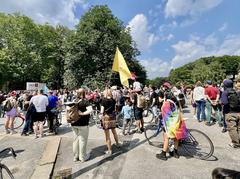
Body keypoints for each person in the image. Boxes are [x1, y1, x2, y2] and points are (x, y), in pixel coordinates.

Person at [156, 92, 180, 161]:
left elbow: (167, 115)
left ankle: (163, 154)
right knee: (175, 138)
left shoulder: (166, 103)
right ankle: (175, 153)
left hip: (169, 124)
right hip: (176, 123)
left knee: (166, 139)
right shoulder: (174, 103)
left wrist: (160, 116)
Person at [71, 88, 92, 162]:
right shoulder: (85, 101)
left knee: (75, 140)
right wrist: (82, 113)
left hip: (74, 123)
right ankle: (82, 157)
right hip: (83, 124)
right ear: (84, 93)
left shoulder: (74, 100)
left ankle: (75, 157)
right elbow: (90, 110)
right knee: (82, 140)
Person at [100, 89, 120, 156]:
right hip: (112, 116)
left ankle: (109, 150)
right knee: (114, 131)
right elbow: (114, 108)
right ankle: (117, 143)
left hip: (106, 117)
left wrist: (101, 114)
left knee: (107, 135)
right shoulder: (113, 100)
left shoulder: (103, 100)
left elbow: (102, 111)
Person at [221, 79, 240, 148]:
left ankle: (236, 143)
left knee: (232, 129)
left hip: (230, 113)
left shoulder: (225, 92)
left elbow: (224, 102)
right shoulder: (236, 91)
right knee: (238, 128)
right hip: (238, 112)